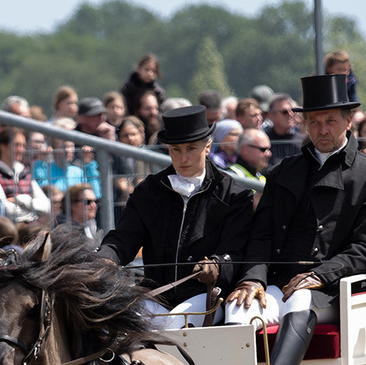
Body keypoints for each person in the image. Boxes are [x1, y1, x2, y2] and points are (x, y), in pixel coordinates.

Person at [224, 73, 366, 365]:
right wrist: (253, 278)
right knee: (237, 309)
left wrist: (320, 275)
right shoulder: (283, 171)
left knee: (301, 296)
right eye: (314, 122)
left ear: (348, 121)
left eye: (330, 121)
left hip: (335, 291)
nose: (321, 130)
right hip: (277, 284)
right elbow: (260, 237)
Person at [99, 105, 254, 331]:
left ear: (208, 146)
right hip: (155, 295)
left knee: (175, 326)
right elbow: (123, 238)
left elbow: (236, 251)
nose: (183, 158)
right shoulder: (149, 191)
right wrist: (105, 258)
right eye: (175, 149)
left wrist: (217, 265)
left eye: (191, 148)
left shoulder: (234, 194)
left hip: (207, 295)